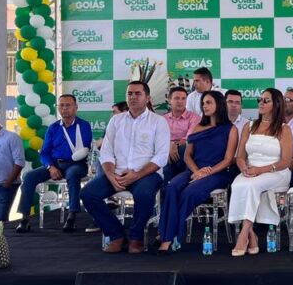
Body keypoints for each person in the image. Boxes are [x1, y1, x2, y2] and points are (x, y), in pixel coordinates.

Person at [81, 81, 171, 254]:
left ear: (147, 98)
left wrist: (136, 175)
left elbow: (161, 157)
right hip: (117, 172)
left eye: (138, 94)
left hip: (146, 173)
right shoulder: (116, 120)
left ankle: (136, 238)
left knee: (144, 195)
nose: (133, 97)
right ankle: (116, 235)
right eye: (130, 94)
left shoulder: (158, 122)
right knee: (88, 194)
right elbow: (106, 153)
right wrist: (110, 176)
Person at [157, 91, 237, 254]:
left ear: (219, 105)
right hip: (194, 170)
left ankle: (170, 237)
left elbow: (228, 159)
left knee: (189, 193)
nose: (204, 106)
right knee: (172, 186)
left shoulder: (231, 129)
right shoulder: (198, 126)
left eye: (208, 103)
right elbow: (187, 155)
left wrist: (206, 173)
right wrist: (196, 171)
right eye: (203, 103)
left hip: (217, 173)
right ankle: (167, 235)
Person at [228, 88, 293, 256]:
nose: (261, 103)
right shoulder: (248, 126)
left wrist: (260, 170)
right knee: (237, 184)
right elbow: (240, 156)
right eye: (260, 99)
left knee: (251, 186)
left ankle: (243, 234)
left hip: (276, 171)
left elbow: (285, 161)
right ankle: (252, 235)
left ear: (276, 104)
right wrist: (244, 168)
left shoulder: (284, 129)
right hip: (250, 169)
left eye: (266, 100)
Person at [16, 94, 93, 233]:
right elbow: (44, 153)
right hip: (55, 164)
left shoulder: (84, 126)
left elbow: (84, 149)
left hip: (76, 164)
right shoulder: (53, 128)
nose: (64, 109)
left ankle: (72, 216)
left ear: (76, 107)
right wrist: (50, 167)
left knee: (73, 173)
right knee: (29, 177)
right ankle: (24, 218)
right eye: (61, 105)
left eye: (68, 105)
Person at [164, 86, 201, 185]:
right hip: (167, 151)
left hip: (186, 152)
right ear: (169, 100)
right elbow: (159, 139)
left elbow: (189, 138)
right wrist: (170, 145)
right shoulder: (162, 119)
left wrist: (174, 146)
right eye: (176, 98)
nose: (180, 101)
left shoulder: (195, 118)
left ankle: (170, 185)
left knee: (183, 148)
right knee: (163, 153)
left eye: (183, 98)